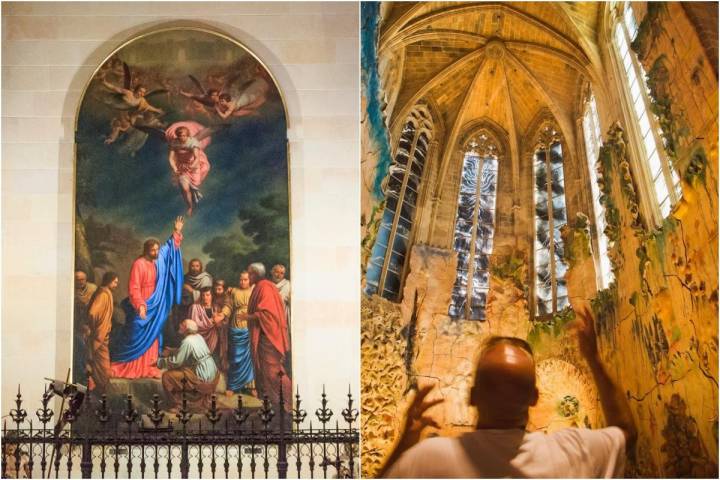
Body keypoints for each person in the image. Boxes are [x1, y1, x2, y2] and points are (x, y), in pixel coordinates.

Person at [381, 307, 637, 478]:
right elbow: (626, 432)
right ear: (535, 397)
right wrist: (594, 359)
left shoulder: (430, 459)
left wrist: (405, 443)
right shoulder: (572, 452)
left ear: (471, 396)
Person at [110, 216, 185, 379]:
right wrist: (140, 305)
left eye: (157, 250)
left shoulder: (158, 262)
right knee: (136, 332)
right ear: (146, 250)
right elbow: (134, 287)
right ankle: (129, 365)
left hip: (155, 307)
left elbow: (169, 249)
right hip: (143, 304)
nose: (156, 252)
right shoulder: (139, 264)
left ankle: (149, 366)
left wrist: (177, 231)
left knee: (154, 334)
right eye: (153, 250)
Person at [240, 263, 291, 411]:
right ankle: (275, 404)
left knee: (273, 373)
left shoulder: (264, 287)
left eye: (249, 274)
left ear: (255, 274)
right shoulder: (264, 286)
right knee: (267, 372)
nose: (248, 276)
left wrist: (248, 316)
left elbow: (268, 314)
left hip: (269, 338)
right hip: (266, 336)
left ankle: (290, 402)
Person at [158, 319, 219, 412]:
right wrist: (172, 351)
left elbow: (177, 362)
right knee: (183, 369)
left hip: (202, 374)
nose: (180, 325)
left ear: (186, 329)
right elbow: (187, 352)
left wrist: (159, 362)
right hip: (212, 372)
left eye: (182, 323)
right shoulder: (198, 337)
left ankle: (178, 405)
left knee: (167, 376)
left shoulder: (187, 341)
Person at [218, 271, 256, 396]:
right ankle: (233, 386)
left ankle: (250, 386)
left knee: (249, 357)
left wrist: (249, 316)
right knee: (234, 357)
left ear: (250, 280)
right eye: (241, 279)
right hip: (235, 326)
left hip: (249, 326)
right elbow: (228, 306)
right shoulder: (233, 291)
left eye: (245, 280)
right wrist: (222, 314)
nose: (243, 282)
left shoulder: (254, 291)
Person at [166, 122, 213, 216]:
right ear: (177, 136)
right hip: (182, 167)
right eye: (180, 136)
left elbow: (197, 158)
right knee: (185, 189)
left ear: (187, 135)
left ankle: (193, 192)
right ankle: (190, 206)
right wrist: (175, 168)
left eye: (184, 136)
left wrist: (191, 166)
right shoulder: (174, 143)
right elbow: (171, 158)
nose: (182, 138)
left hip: (193, 167)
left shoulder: (193, 142)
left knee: (195, 184)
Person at [85, 271, 119, 393]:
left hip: (103, 335)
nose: (116, 285)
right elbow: (92, 313)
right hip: (99, 335)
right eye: (115, 282)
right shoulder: (103, 294)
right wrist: (96, 327)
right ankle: (101, 391)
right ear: (109, 281)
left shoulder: (105, 293)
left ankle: (101, 390)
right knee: (103, 367)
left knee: (101, 365)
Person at [189, 287, 227, 370]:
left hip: (213, 338)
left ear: (212, 296)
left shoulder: (216, 307)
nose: (205, 297)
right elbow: (195, 324)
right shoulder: (195, 307)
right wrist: (212, 320)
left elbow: (222, 323)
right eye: (203, 295)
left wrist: (218, 322)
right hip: (199, 337)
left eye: (208, 295)